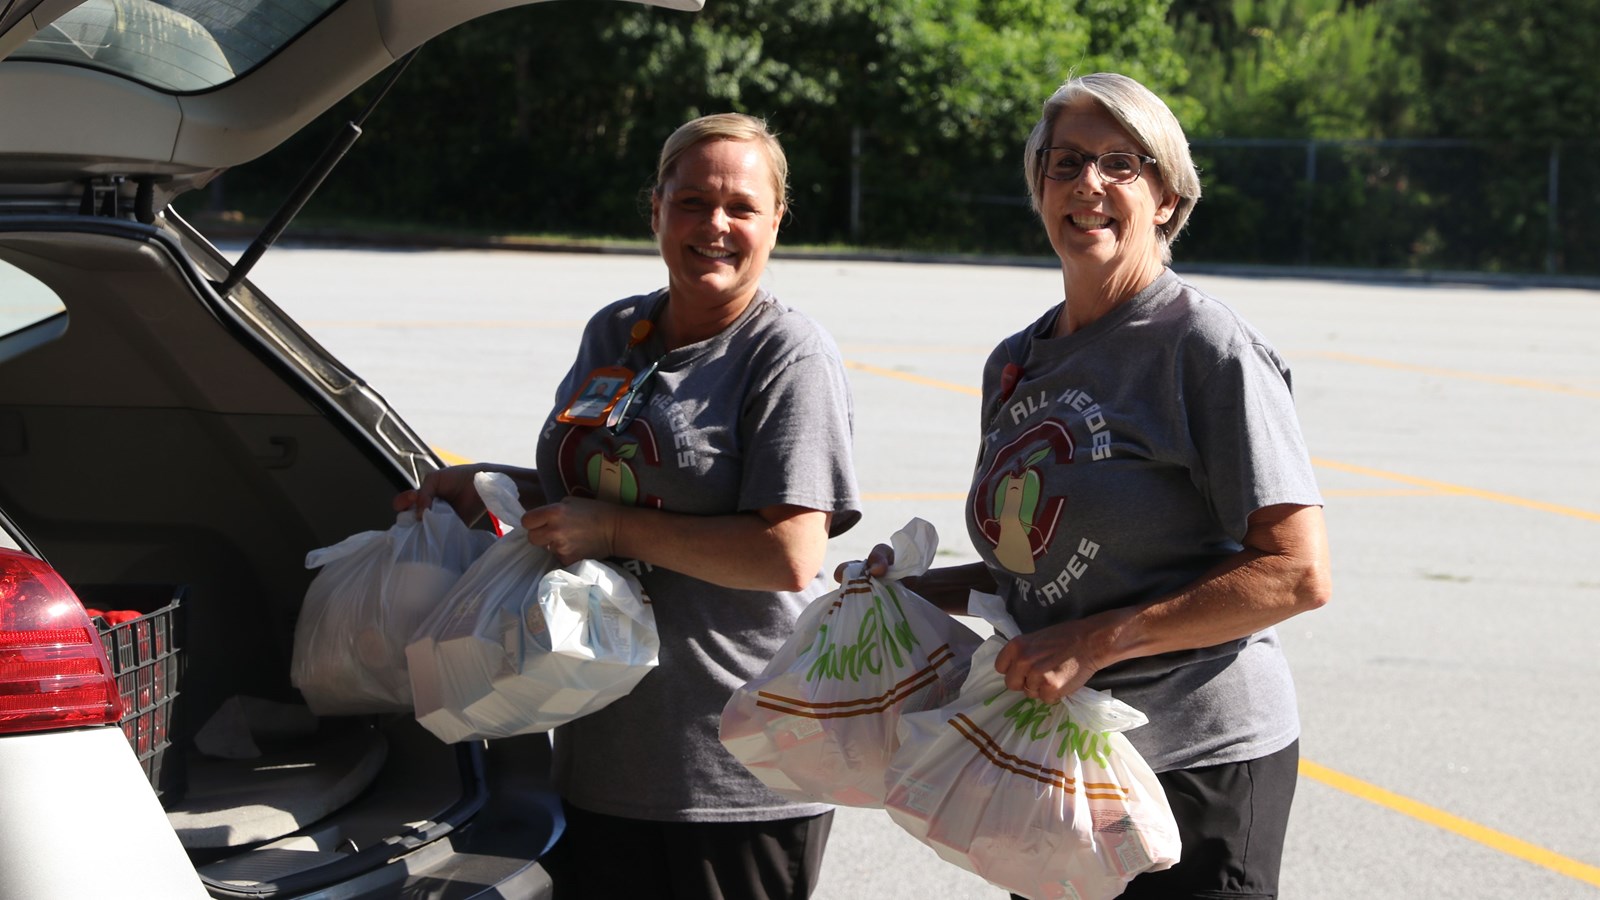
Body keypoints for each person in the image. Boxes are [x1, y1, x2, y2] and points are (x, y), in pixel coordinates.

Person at [853, 73, 1331, 899]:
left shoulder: (1203, 346)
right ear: (1039, 188)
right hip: (1059, 760)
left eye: (1121, 163)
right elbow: (1039, 569)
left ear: (1169, 197)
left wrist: (1095, 642)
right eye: (1066, 162)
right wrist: (920, 594)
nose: (1089, 186)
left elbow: (1296, 572)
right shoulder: (1015, 361)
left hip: (1195, 764)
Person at [396, 113, 861, 900]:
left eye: (741, 207)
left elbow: (789, 554)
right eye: (691, 202)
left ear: (777, 220)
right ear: (656, 209)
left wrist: (610, 530)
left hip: (732, 771)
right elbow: (603, 485)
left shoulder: (786, 353)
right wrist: (490, 486)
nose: (715, 225)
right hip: (601, 748)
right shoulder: (617, 331)